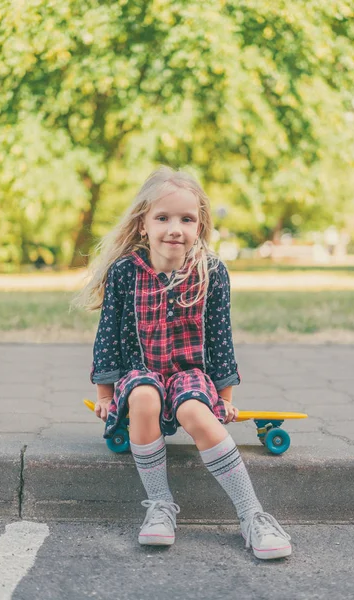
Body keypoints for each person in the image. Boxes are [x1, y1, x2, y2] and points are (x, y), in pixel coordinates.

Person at [74, 166, 291, 560]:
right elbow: (107, 335)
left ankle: (252, 515)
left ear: (200, 226)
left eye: (186, 219)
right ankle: (160, 507)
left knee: (195, 411)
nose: (175, 228)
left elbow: (221, 339)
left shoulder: (212, 272)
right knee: (142, 396)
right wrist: (105, 393)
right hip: (140, 372)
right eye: (163, 218)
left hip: (192, 375)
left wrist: (224, 397)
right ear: (143, 224)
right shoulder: (125, 273)